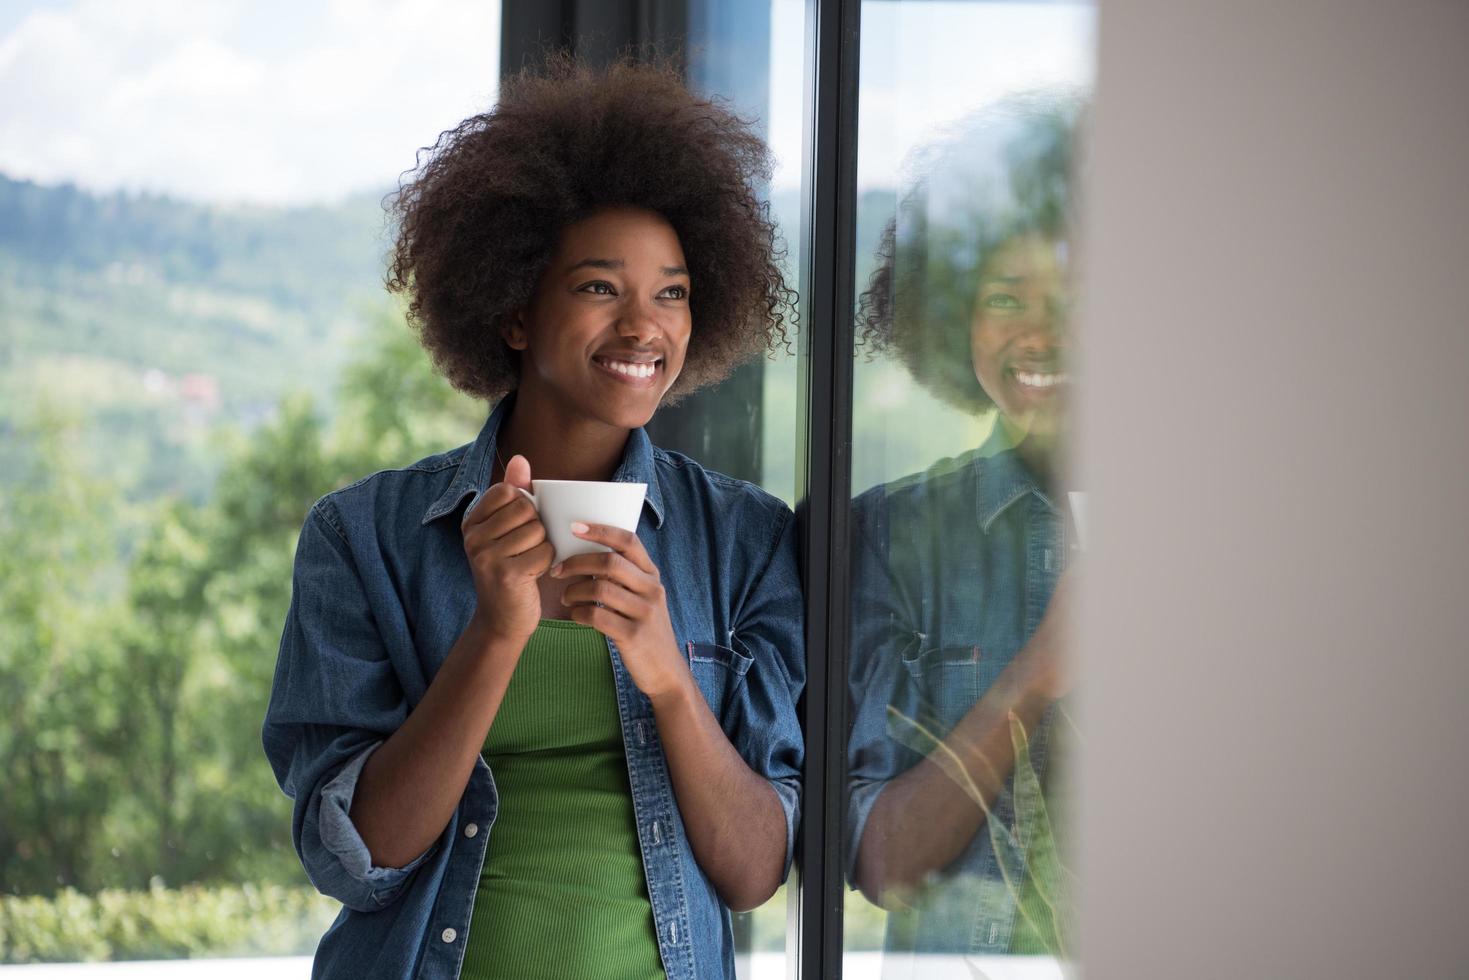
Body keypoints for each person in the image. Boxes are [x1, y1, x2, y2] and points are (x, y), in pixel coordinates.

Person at [262, 58, 804, 980]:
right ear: (513, 310)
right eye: (600, 287)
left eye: (671, 291)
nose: (645, 326)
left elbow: (754, 872)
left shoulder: (744, 541)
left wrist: (668, 677)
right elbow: (355, 861)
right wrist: (496, 632)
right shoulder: (363, 536)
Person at [845, 97, 1082, 967]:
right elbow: (883, 863)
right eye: (1003, 297)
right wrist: (1037, 673)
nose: (1038, 330)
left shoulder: (1244, 523)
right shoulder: (887, 534)